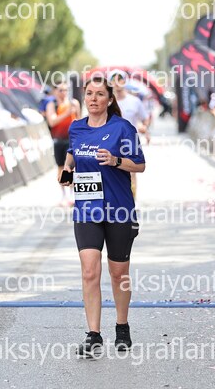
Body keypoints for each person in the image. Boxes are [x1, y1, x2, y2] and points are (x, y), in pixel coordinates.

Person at [60, 76, 145, 358]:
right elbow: (72, 153)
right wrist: (67, 170)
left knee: (118, 273)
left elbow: (140, 165)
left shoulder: (122, 128)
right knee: (89, 271)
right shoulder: (77, 127)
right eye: (89, 94)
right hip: (87, 209)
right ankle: (93, 335)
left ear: (109, 100)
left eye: (99, 94)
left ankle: (122, 326)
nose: (93, 99)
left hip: (118, 209)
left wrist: (116, 161)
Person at [109, 70, 150, 198]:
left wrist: (145, 128)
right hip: (111, 142)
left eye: (120, 79)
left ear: (125, 81)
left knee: (131, 172)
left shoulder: (135, 101)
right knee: (113, 172)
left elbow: (145, 118)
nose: (117, 83)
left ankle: (131, 200)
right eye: (114, 80)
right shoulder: (106, 102)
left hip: (130, 142)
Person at [46, 82, 80, 206]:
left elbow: (79, 121)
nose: (63, 93)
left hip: (71, 140)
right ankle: (64, 195)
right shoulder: (52, 104)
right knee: (61, 167)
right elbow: (52, 121)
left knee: (70, 167)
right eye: (61, 90)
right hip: (58, 140)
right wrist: (67, 113)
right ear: (55, 91)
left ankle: (72, 194)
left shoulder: (74, 103)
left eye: (66, 90)